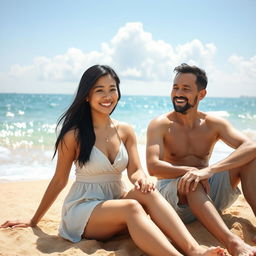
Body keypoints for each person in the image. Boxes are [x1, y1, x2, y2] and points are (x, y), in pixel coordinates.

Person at [0, 65, 225, 256]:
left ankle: (195, 250)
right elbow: (59, 180)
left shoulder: (125, 130)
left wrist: (143, 179)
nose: (107, 96)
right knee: (132, 207)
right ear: (87, 95)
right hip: (84, 210)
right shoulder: (73, 135)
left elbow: (135, 171)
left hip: (116, 202)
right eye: (100, 90)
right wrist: (33, 220)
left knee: (148, 192)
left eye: (112, 89)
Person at [146, 63, 256, 256]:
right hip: (172, 198)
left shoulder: (212, 123)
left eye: (186, 89)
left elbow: (251, 146)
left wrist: (209, 171)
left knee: (249, 160)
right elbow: (153, 167)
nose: (178, 93)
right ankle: (234, 244)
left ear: (202, 94)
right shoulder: (161, 124)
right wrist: (192, 171)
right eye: (175, 87)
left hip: (209, 195)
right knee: (191, 179)